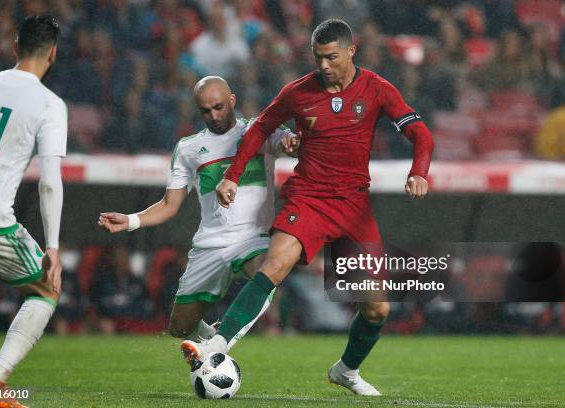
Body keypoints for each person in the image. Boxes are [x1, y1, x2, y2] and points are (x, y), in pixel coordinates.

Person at [181, 19, 434, 396]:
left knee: (377, 308)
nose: (325, 66)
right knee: (276, 264)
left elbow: (420, 133)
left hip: (353, 207)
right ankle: (216, 345)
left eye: (332, 57)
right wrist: (232, 175)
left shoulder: (378, 89)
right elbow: (260, 128)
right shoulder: (298, 92)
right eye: (318, 58)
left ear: (352, 50)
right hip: (308, 198)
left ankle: (346, 370)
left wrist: (419, 172)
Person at [98, 76, 298, 342]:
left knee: (267, 272)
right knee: (180, 328)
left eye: (219, 107)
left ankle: (219, 346)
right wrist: (132, 220)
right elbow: (170, 205)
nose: (214, 115)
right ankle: (210, 336)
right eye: (205, 110)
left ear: (232, 101)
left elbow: (293, 144)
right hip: (210, 244)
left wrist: (292, 142)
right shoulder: (188, 148)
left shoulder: (259, 130)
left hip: (253, 238)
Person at [0, 16, 66, 408]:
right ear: (52, 54)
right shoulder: (49, 104)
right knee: (46, 287)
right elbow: (49, 181)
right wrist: (52, 245)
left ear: (14, 47)